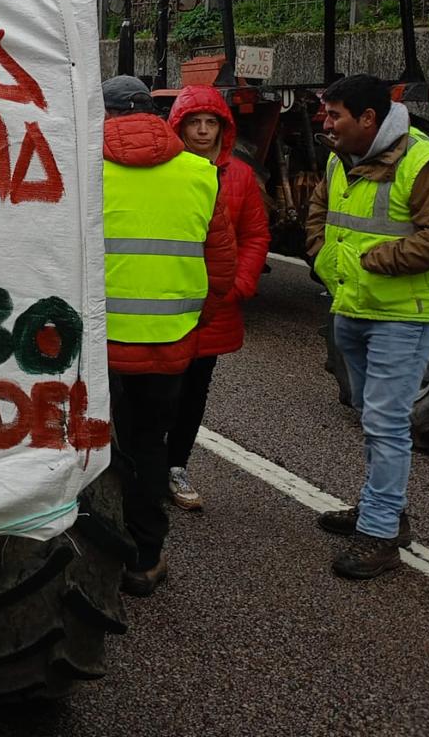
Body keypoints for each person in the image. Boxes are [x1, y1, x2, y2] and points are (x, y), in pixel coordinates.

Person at [306, 74, 429, 579]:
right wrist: (322, 258)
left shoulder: (427, 162)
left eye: (335, 115)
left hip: (406, 312)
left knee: (385, 420)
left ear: (369, 119)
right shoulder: (341, 157)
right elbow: (319, 210)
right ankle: (384, 506)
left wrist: (382, 261)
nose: (325, 123)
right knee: (367, 411)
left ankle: (379, 532)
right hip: (352, 305)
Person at [101, 75, 236, 596]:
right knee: (150, 445)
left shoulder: (85, 169)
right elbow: (221, 273)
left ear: (105, 115)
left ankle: (87, 546)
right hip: (171, 347)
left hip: (101, 349)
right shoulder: (201, 173)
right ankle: (144, 558)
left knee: (94, 445)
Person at [164, 86, 271, 510]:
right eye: (195, 122)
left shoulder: (241, 176)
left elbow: (255, 234)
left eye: (212, 123)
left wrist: (239, 283)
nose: (204, 131)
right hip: (168, 300)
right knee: (156, 392)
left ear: (224, 128)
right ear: (180, 126)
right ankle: (145, 467)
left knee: (194, 392)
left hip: (214, 307)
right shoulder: (164, 169)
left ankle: (176, 466)